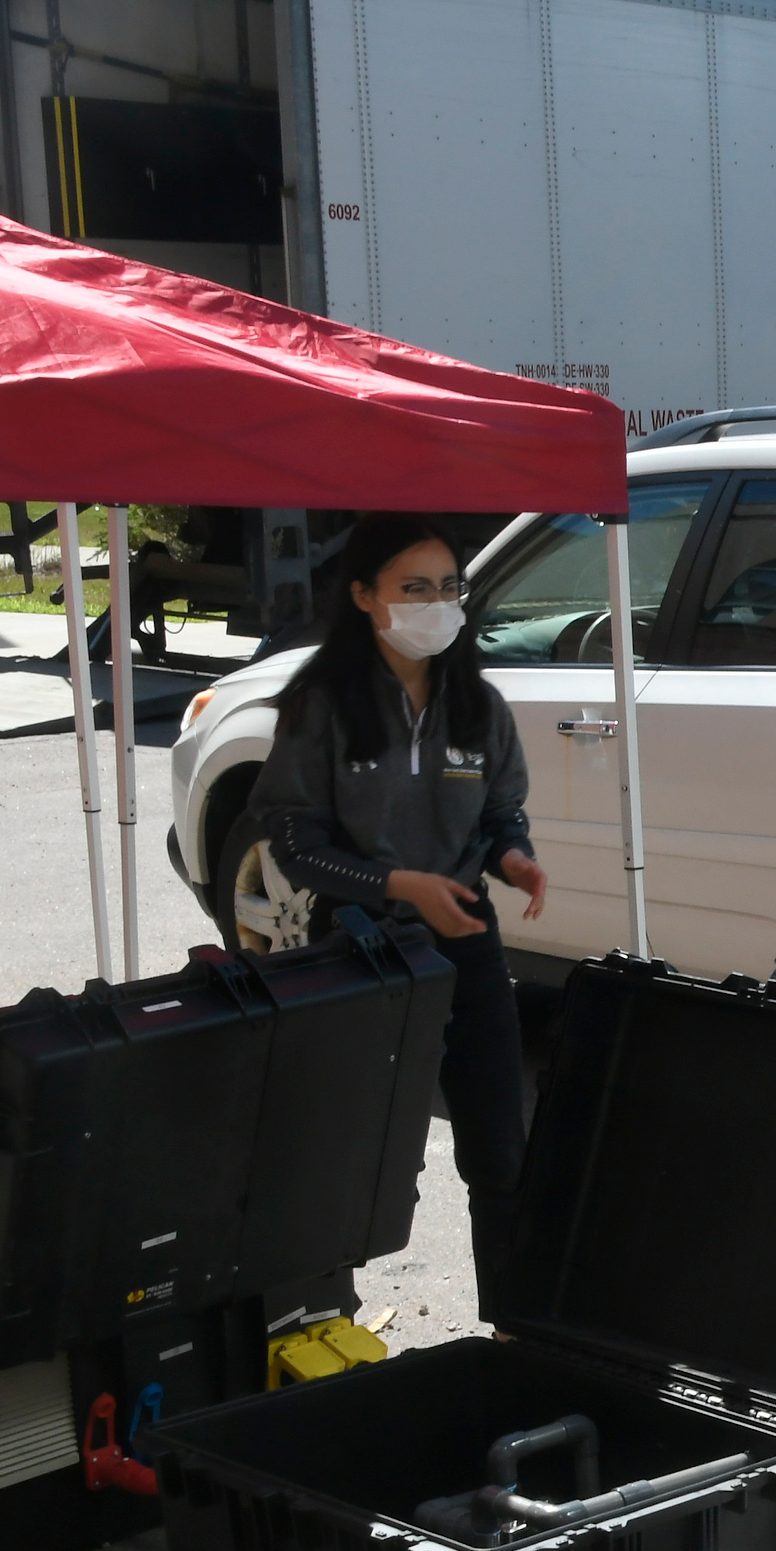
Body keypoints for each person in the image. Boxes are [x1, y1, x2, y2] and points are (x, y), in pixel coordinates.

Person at [244, 515, 548, 1291]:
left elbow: (500, 812)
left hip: (464, 943)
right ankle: (322, 1318)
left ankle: (514, 1322)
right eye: (414, 589)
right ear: (363, 597)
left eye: (449, 588)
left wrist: (515, 857)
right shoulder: (321, 705)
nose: (435, 605)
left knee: (500, 1150)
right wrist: (396, 886)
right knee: (363, 1160)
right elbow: (293, 842)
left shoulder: (479, 704)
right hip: (356, 955)